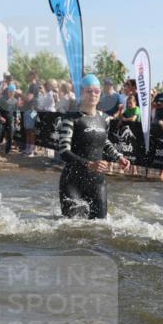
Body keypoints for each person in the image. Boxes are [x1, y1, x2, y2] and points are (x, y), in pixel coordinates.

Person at [57, 74, 131, 218]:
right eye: (88, 91)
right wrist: (89, 164)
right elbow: (64, 151)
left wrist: (119, 157)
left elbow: (105, 142)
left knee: (100, 228)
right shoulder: (71, 118)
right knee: (72, 230)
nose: (93, 94)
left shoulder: (105, 118)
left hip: (97, 182)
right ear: (81, 92)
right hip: (72, 182)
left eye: (96, 91)